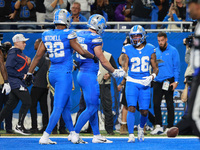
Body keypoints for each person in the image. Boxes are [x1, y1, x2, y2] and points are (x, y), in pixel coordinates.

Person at [25, 9, 99, 144]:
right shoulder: (68, 34)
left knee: (65, 105)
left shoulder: (46, 34)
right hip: (63, 74)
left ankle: (72, 134)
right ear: (67, 20)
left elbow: (37, 56)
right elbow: (81, 51)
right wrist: (93, 57)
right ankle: (45, 136)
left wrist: (30, 73)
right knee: (59, 106)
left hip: (52, 73)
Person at [70, 14, 125, 144]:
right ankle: (75, 133)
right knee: (92, 107)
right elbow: (102, 59)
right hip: (89, 75)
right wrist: (114, 71)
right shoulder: (96, 38)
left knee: (91, 106)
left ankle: (96, 135)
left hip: (81, 73)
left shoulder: (80, 34)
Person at [121, 25, 158, 142]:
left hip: (145, 82)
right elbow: (125, 66)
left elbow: (156, 68)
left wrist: (152, 76)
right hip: (132, 81)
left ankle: (141, 128)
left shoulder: (150, 48)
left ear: (143, 36)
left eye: (137, 35)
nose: (135, 38)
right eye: (133, 36)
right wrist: (122, 72)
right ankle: (131, 134)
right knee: (131, 107)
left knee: (144, 111)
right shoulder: (127, 48)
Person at [0, 34, 31, 135]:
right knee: (27, 101)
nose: (25, 44)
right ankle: (19, 126)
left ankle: (19, 125)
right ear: (17, 42)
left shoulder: (18, 52)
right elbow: (8, 69)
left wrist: (29, 76)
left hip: (17, 81)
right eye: (23, 42)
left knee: (10, 105)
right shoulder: (13, 53)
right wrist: (22, 76)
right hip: (15, 82)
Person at [150, 32, 180, 135]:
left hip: (168, 80)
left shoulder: (173, 51)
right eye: (158, 41)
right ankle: (158, 126)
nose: (160, 42)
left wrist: (176, 81)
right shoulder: (155, 51)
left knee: (169, 104)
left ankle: (170, 126)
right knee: (156, 104)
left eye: (162, 40)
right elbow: (152, 66)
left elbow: (176, 67)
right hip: (157, 81)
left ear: (166, 39)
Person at [29, 38, 50, 134]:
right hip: (44, 85)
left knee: (32, 105)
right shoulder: (47, 56)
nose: (34, 45)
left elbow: (35, 68)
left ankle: (34, 127)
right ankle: (45, 126)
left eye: (35, 43)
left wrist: (31, 71)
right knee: (44, 107)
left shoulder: (40, 56)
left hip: (37, 85)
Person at [98, 50, 118, 135]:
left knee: (107, 107)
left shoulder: (108, 55)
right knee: (86, 106)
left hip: (104, 84)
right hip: (91, 84)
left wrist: (109, 74)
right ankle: (88, 128)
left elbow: (115, 69)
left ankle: (109, 129)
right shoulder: (89, 54)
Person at [0, 41, 12, 133]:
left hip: (7, 85)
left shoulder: (10, 57)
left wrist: (8, 52)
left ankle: (9, 128)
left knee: (8, 107)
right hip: (1, 84)